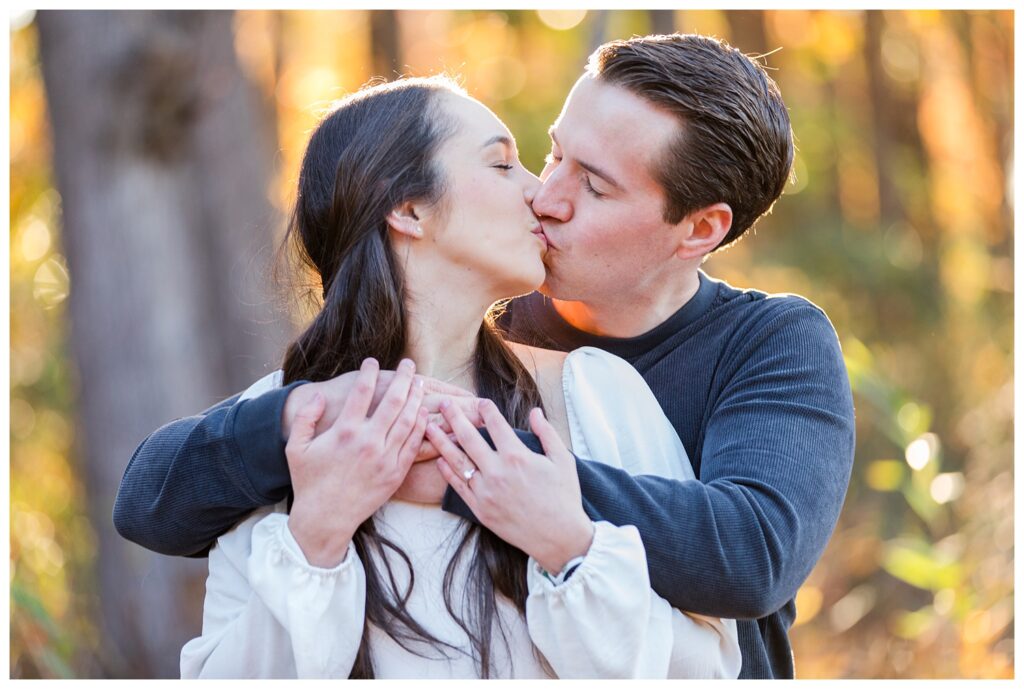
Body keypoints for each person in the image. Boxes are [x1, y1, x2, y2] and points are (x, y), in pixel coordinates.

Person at [115, 33, 855, 678]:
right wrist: (309, 417)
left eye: (593, 184)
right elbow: (150, 500)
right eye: (549, 156)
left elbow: (751, 552)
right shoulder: (350, 407)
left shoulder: (739, 353)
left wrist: (468, 463)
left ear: (698, 230)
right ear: (406, 209)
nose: (546, 196)